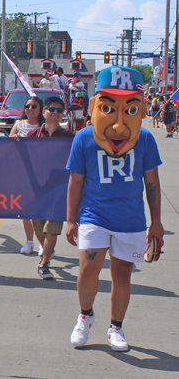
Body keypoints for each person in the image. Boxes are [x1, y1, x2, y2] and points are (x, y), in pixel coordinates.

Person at [66, 66, 163, 352]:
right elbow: (75, 180)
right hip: (94, 214)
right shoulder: (84, 138)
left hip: (130, 219)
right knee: (88, 269)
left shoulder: (145, 139)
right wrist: (70, 219)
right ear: (96, 105)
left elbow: (152, 183)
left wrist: (155, 222)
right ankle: (85, 315)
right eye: (109, 106)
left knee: (122, 275)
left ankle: (115, 327)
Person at [26, 97, 73, 279]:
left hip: (60, 189)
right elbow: (23, 160)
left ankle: (44, 264)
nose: (55, 113)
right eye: (52, 109)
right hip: (37, 188)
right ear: (44, 112)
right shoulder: (33, 136)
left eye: (59, 111)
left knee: (52, 228)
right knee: (38, 227)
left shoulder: (69, 138)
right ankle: (47, 250)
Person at [9, 96, 45, 255]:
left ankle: (44, 243)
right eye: (27, 106)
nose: (30, 109)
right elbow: (9, 143)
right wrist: (15, 139)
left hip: (41, 172)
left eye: (34, 106)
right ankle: (29, 241)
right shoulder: (18, 124)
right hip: (22, 170)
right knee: (25, 208)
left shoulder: (44, 127)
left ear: (40, 109)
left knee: (41, 208)